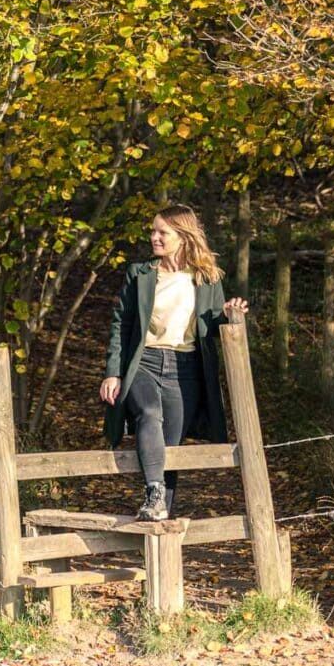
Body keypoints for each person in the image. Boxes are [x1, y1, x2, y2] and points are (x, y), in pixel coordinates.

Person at [100, 204, 248, 521]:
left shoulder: (207, 278)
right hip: (145, 361)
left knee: (172, 447)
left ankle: (159, 514)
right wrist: (113, 372)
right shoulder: (140, 274)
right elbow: (120, 325)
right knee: (148, 413)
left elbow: (212, 324)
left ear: (182, 236)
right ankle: (153, 491)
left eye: (162, 232)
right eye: (153, 231)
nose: (154, 237)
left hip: (186, 369)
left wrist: (228, 312)